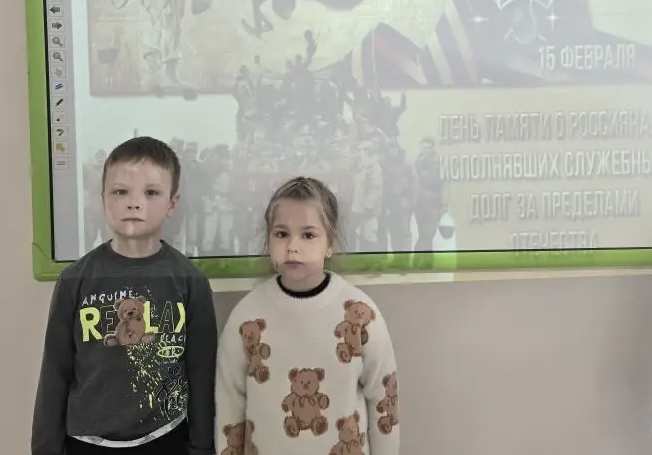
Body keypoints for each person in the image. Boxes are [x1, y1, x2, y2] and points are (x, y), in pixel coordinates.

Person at [31, 136, 217, 455]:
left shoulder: (191, 281)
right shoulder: (74, 280)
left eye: (151, 192)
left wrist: (202, 446)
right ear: (103, 198)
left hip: (166, 438)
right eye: (120, 192)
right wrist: (45, 448)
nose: (134, 203)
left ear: (172, 203)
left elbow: (201, 372)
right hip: (87, 442)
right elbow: (55, 371)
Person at [215, 176, 400, 455]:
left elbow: (385, 401)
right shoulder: (246, 317)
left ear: (330, 243)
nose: (293, 246)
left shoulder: (360, 315)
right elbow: (229, 407)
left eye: (308, 235)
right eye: (281, 234)